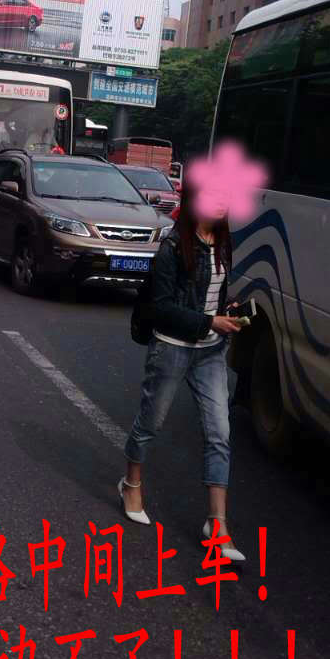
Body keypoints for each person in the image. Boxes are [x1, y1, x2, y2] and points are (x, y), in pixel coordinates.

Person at [118, 181, 247, 562]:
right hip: (172, 347)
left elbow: (212, 294)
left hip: (210, 352)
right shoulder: (172, 247)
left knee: (220, 433)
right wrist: (210, 321)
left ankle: (217, 523)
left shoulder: (223, 242)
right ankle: (131, 484)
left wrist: (226, 312)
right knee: (151, 423)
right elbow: (160, 308)